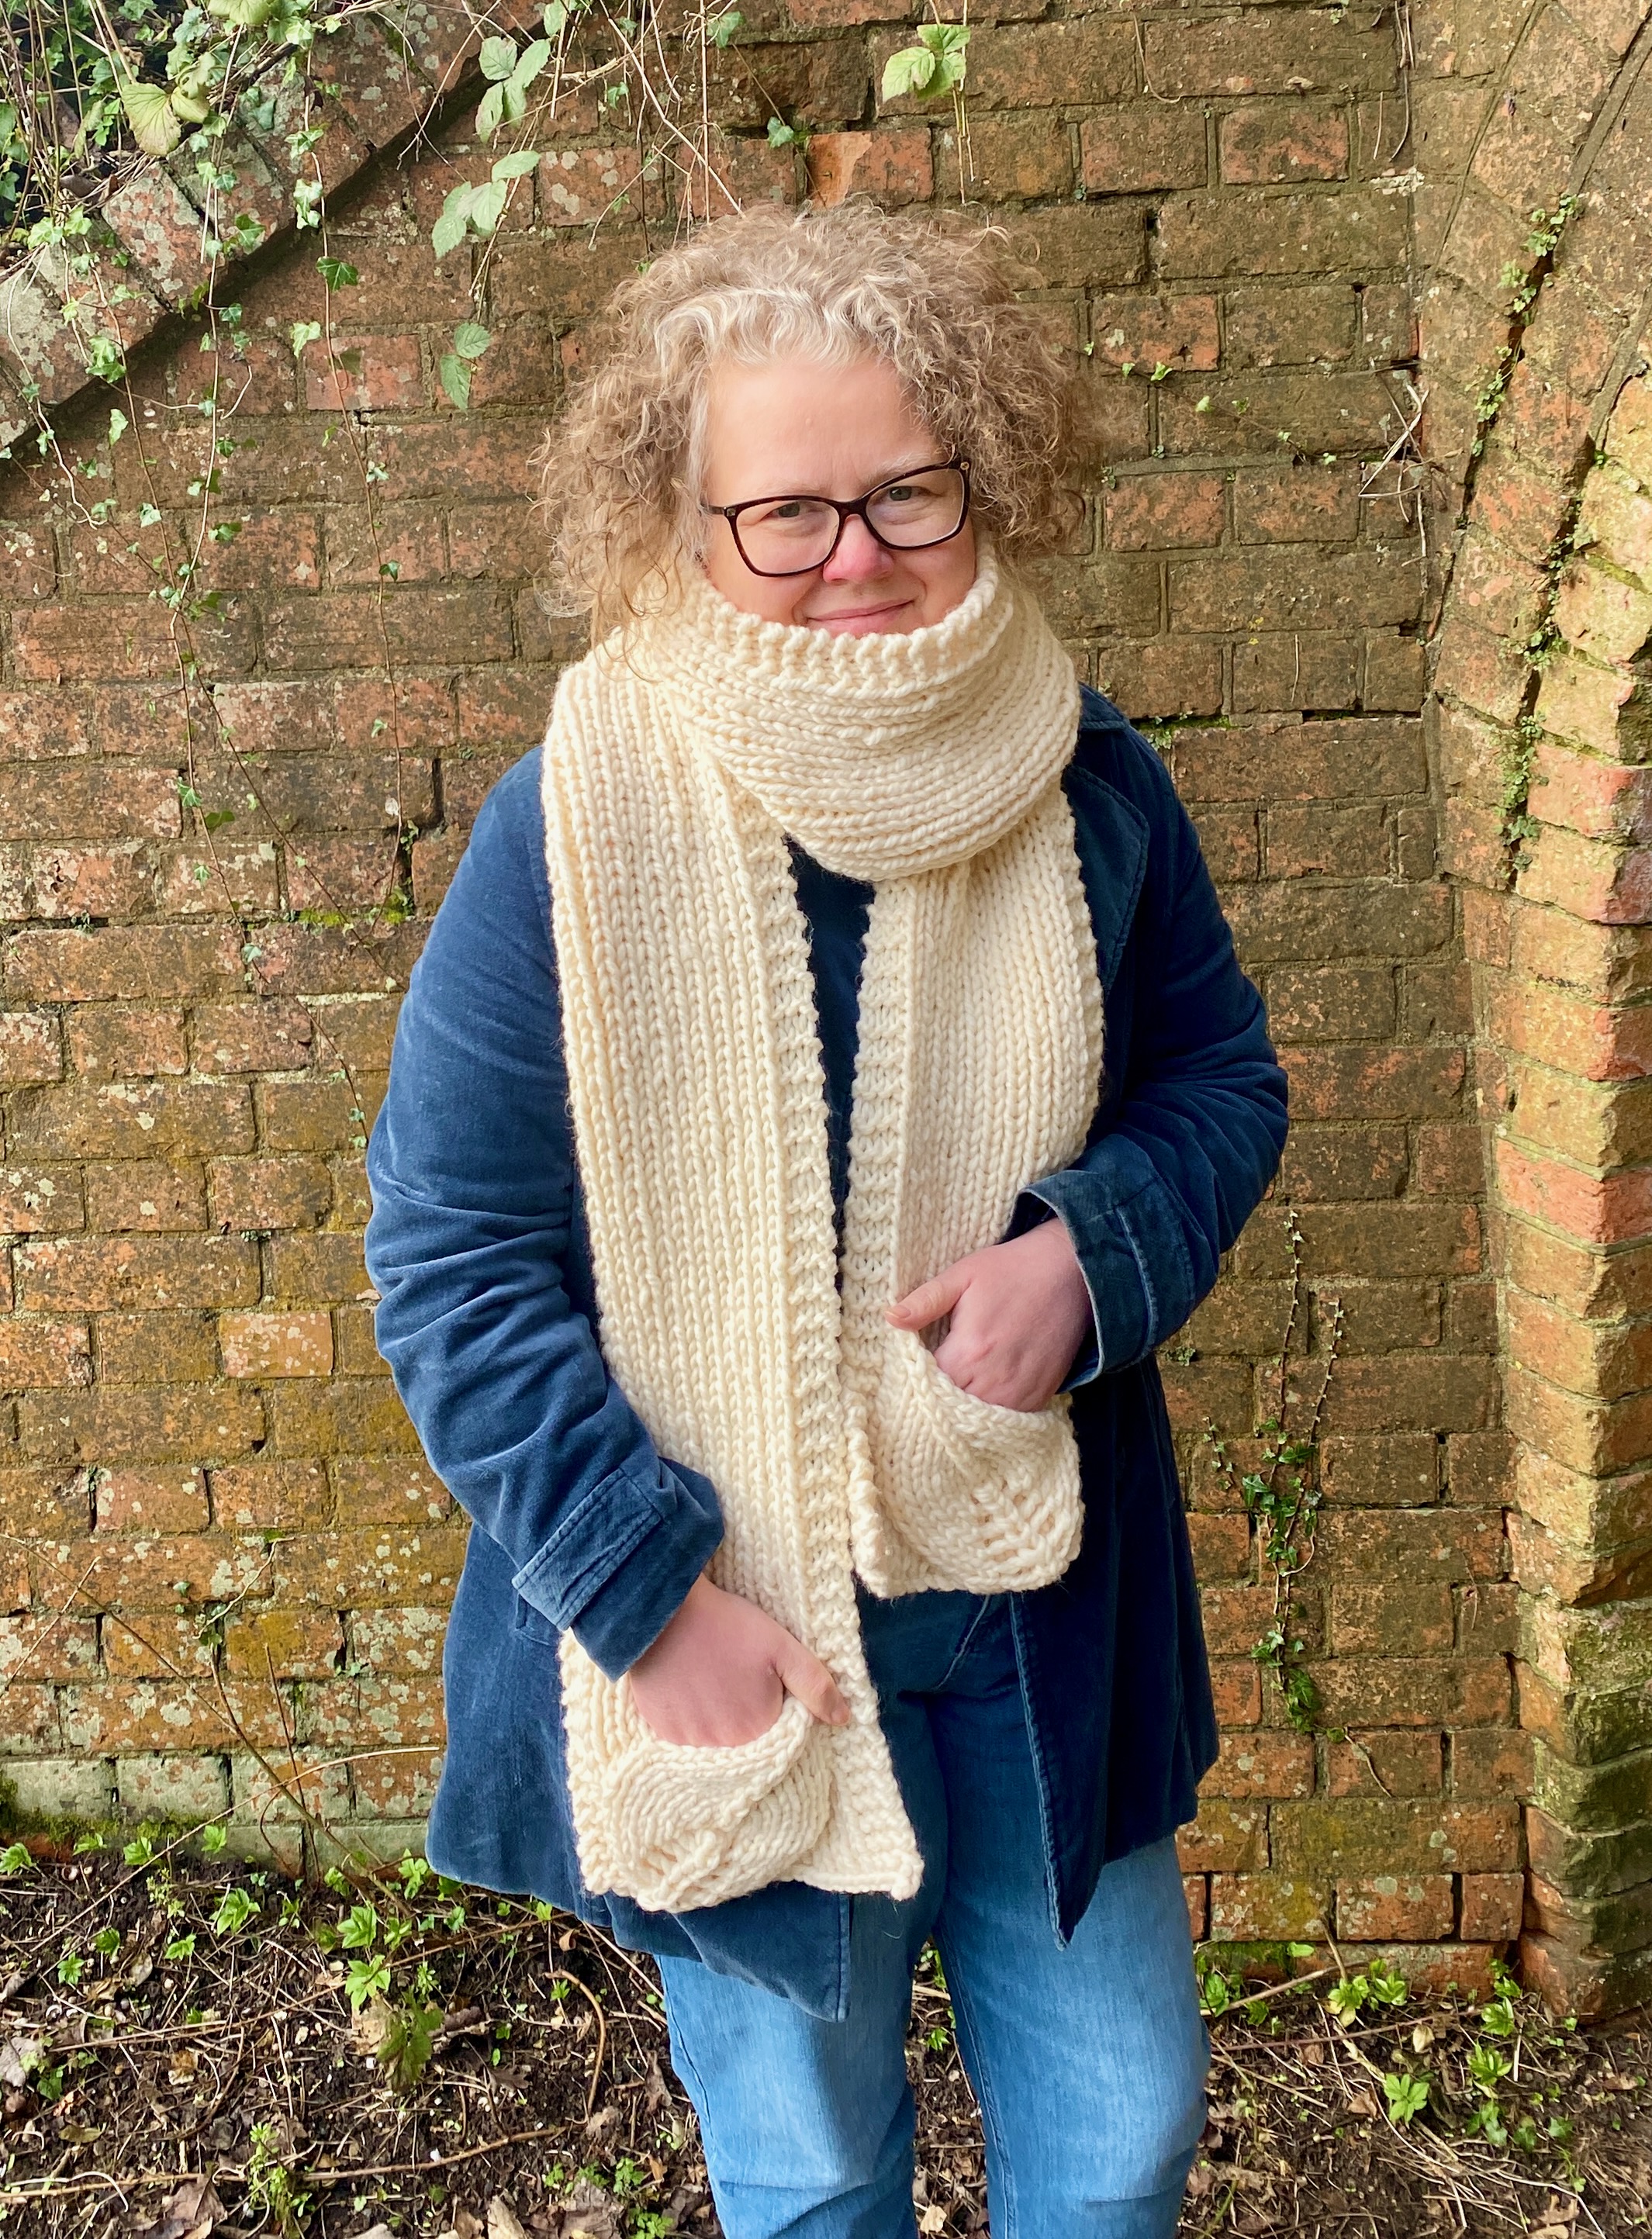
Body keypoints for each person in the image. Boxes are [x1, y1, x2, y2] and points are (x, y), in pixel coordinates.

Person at [365, 199, 1289, 2239]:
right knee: (808, 2177)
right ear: (681, 522)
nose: (851, 559)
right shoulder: (573, 827)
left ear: (989, 476)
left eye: (903, 496)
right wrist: (643, 1600)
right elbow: (448, 1258)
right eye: (783, 512)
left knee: (1121, 2133)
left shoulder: (1090, 786)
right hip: (736, 1629)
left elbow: (1217, 1087)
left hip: (1034, 1610)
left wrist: (1091, 1255)